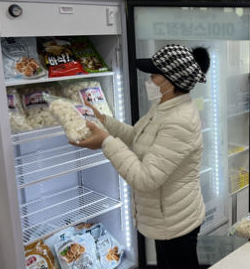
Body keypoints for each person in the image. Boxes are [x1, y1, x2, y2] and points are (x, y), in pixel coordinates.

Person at [74, 44, 210, 269]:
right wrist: (104, 121)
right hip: (164, 217)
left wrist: (106, 142)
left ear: (170, 81)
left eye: (154, 75)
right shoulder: (162, 108)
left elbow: (145, 179)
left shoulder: (180, 121)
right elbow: (136, 136)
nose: (149, 80)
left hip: (177, 222)